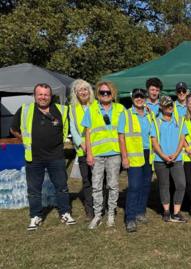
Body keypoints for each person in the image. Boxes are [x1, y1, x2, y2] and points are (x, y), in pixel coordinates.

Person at [10, 83, 76, 231]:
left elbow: (67, 129)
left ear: (51, 96)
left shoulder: (62, 110)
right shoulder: (25, 110)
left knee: (62, 187)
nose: (43, 97)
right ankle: (36, 216)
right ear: (35, 95)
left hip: (56, 156)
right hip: (34, 157)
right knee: (34, 190)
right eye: (40, 94)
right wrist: (25, 140)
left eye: (46, 94)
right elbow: (13, 129)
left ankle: (65, 213)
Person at [83, 81, 125, 229]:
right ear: (98, 94)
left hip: (114, 153)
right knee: (96, 186)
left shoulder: (120, 109)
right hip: (97, 154)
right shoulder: (91, 109)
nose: (105, 95)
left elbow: (122, 134)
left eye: (108, 92)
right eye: (102, 92)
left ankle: (111, 214)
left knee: (113, 185)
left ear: (112, 93)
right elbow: (87, 133)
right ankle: (97, 214)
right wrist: (89, 153)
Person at [118, 88, 155, 233]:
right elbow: (121, 137)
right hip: (133, 155)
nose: (139, 99)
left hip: (148, 154)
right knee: (134, 186)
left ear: (145, 98)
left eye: (141, 96)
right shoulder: (126, 114)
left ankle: (140, 212)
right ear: (132, 98)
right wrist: (124, 157)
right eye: (136, 96)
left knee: (146, 185)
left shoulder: (150, 114)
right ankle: (130, 218)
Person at [151, 96, 188, 223]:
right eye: (167, 105)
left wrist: (176, 154)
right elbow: (154, 142)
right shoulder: (156, 122)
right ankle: (166, 211)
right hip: (160, 160)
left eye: (171, 105)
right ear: (161, 107)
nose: (170, 107)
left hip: (176, 159)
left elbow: (182, 139)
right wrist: (163, 156)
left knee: (181, 184)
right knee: (164, 185)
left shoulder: (180, 120)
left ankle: (176, 212)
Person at [69, 79, 95, 220]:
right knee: (87, 181)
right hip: (82, 150)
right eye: (80, 90)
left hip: (98, 148)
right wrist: (81, 143)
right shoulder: (72, 108)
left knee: (100, 179)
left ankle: (101, 206)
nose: (83, 92)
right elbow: (73, 128)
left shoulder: (96, 105)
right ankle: (89, 210)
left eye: (86, 89)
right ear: (76, 93)